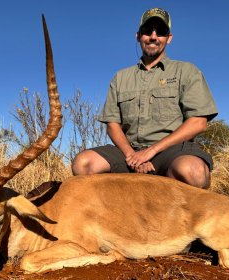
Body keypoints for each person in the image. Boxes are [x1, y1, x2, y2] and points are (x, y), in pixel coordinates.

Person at [72, 7, 218, 189]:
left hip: (172, 150)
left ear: (169, 38)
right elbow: (112, 124)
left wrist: (151, 152)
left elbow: (198, 122)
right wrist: (132, 156)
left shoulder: (187, 71)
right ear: (138, 36)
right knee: (83, 164)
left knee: (194, 172)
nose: (153, 37)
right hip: (129, 151)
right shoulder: (120, 77)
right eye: (148, 31)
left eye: (161, 32)